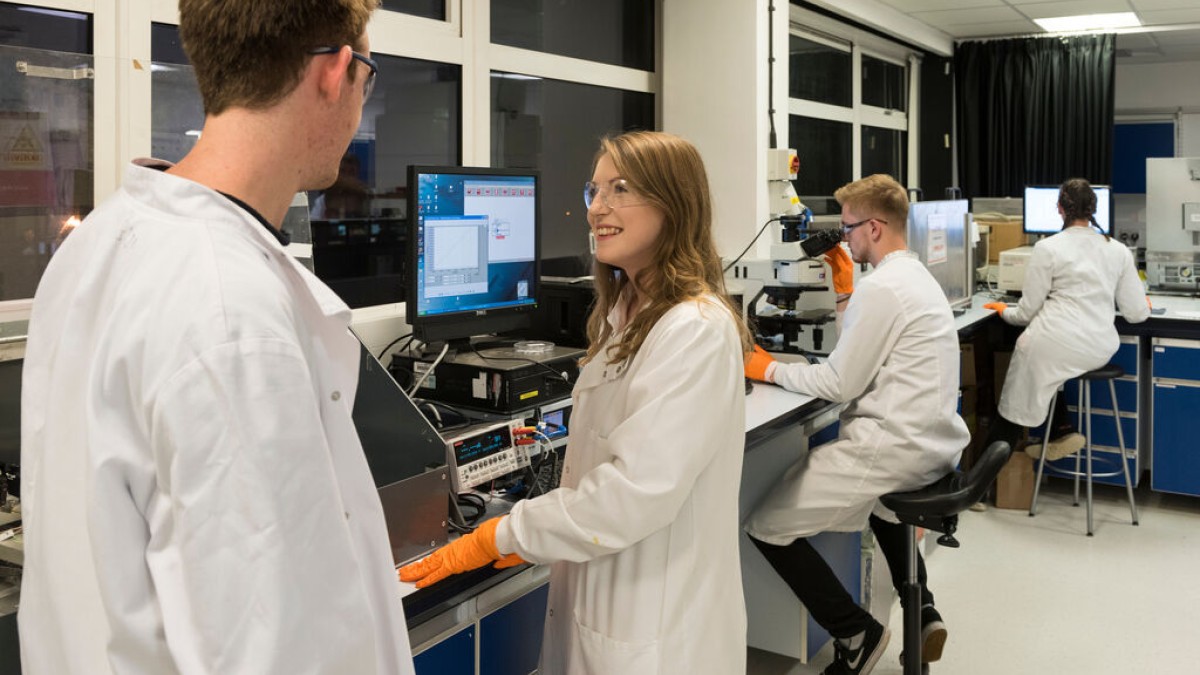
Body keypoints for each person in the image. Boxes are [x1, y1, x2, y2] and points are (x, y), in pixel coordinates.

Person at [19, 2, 416, 673]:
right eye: (367, 78)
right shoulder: (232, 315)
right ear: (336, 72)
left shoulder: (94, 244)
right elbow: (272, 650)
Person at [400, 131, 753, 674]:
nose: (597, 209)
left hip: (655, 634)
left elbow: (632, 495)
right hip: (601, 605)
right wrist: (531, 533)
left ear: (673, 204)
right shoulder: (626, 313)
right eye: (594, 191)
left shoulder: (694, 329)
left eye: (620, 188)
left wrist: (503, 533)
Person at [743, 174, 969, 675]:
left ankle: (855, 633)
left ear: (874, 227)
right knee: (884, 510)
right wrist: (845, 293)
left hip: (892, 449)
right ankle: (923, 610)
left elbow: (840, 381)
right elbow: (863, 348)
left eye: (847, 229)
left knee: (765, 526)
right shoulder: (912, 278)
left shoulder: (884, 287)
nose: (843, 240)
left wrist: (766, 367)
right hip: (932, 445)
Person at [984, 178, 1150, 459]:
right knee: (1051, 370)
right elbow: (1135, 315)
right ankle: (1062, 430)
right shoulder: (1118, 250)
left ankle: (982, 476)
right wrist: (1144, 303)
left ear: (1059, 208)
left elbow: (1026, 313)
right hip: (1098, 348)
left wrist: (1003, 310)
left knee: (1014, 404)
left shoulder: (1048, 248)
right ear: (1093, 209)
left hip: (1054, 345)